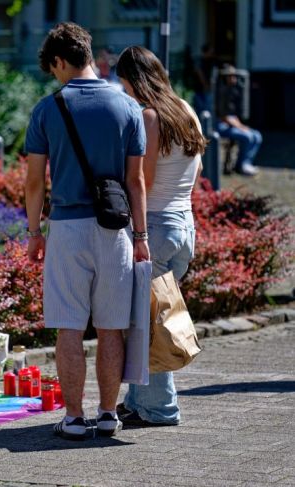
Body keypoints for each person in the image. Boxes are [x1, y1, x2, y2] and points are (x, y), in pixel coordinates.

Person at [24, 23, 149, 440]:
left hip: (67, 228)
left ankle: (75, 418)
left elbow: (34, 181)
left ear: (60, 61)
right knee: (112, 327)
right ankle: (109, 414)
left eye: (53, 69)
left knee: (70, 328)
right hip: (117, 230)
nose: (55, 77)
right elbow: (137, 183)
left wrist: (33, 232)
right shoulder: (128, 108)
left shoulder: (47, 109)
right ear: (89, 56)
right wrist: (143, 237)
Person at [115, 45, 207, 427]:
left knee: (149, 323)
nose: (123, 92)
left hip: (156, 227)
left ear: (134, 81)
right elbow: (195, 175)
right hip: (183, 225)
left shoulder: (150, 118)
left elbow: (144, 181)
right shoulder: (186, 110)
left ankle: (160, 408)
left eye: (123, 84)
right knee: (148, 316)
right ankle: (139, 402)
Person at [215, 64, 262, 176]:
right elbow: (224, 117)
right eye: (231, 76)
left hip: (231, 124)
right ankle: (242, 166)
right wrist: (241, 128)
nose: (234, 78)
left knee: (257, 135)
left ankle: (246, 162)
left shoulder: (232, 91)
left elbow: (233, 116)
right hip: (220, 126)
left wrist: (242, 126)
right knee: (248, 137)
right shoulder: (221, 92)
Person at [193, 43, 216, 117]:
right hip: (201, 89)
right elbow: (200, 73)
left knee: (205, 109)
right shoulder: (200, 62)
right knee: (203, 109)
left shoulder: (210, 62)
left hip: (204, 89)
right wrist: (205, 84)